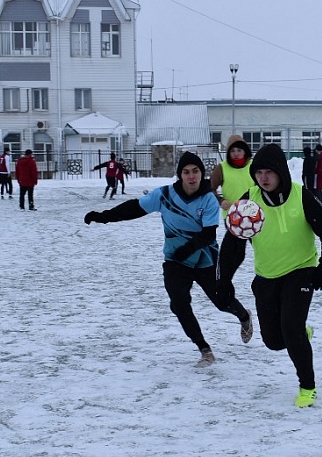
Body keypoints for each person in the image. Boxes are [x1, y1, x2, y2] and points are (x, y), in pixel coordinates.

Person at [83, 152, 253, 366]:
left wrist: (187, 249)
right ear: (180, 175)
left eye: (196, 171)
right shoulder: (165, 195)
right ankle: (204, 349)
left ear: (202, 173)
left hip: (205, 259)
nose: (191, 176)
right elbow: (135, 208)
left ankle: (244, 316)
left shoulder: (208, 198)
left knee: (221, 302)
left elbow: (209, 234)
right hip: (175, 261)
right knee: (179, 303)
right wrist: (104, 216)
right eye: (186, 172)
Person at [217, 143, 322, 407]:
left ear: (281, 172)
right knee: (273, 341)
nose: (263, 177)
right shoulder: (249, 201)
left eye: (269, 172)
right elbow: (233, 245)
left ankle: (307, 387)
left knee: (292, 329)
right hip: (266, 276)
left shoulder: (301, 195)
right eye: (258, 172)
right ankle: (299, 333)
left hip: (302, 270)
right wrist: (223, 279)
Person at [210, 135, 253, 212]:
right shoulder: (221, 168)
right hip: (231, 216)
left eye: (239, 150)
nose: (236, 154)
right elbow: (210, 188)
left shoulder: (254, 166)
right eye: (232, 151)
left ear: (245, 151)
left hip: (253, 214)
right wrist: (221, 201)